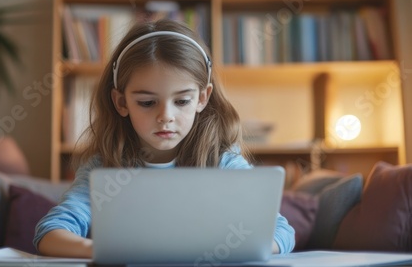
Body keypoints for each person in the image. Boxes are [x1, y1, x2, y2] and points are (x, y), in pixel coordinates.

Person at [34, 19, 295, 257]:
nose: (165, 116)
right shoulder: (103, 169)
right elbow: (50, 233)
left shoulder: (223, 163)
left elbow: (281, 232)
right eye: (147, 102)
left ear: (202, 98)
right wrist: (111, 251)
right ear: (121, 102)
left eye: (182, 101)